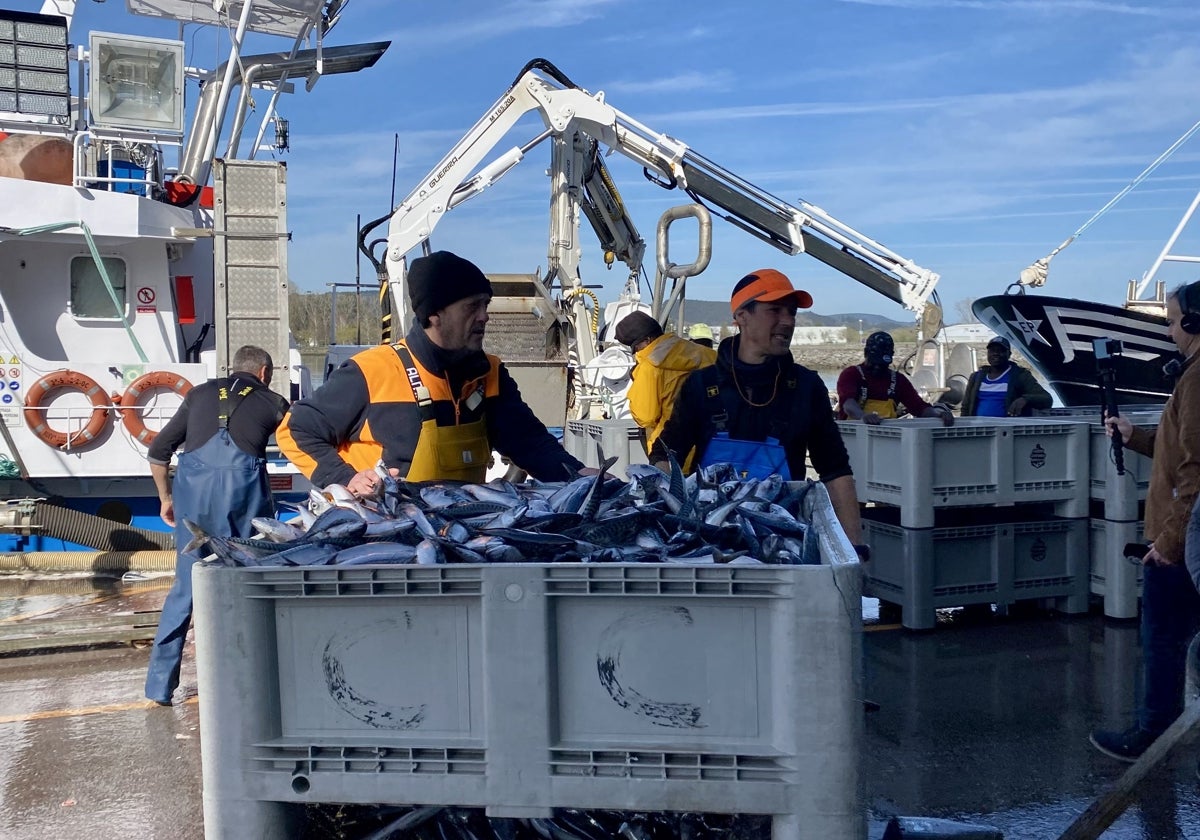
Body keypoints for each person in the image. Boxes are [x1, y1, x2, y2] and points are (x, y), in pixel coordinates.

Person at [277, 250, 587, 494]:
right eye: (473, 307)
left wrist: (584, 477)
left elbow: (530, 443)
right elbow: (295, 430)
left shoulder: (488, 373)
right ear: (434, 314)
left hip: (459, 530)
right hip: (379, 533)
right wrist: (347, 478)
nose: (485, 317)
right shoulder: (373, 371)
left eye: (486, 305)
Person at [650, 268, 864, 546]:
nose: (787, 321)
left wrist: (856, 550)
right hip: (708, 540)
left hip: (783, 541)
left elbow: (836, 471)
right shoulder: (701, 385)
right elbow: (665, 455)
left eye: (792, 312)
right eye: (775, 310)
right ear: (741, 316)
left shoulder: (806, 387)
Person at [1090, 280, 1200, 762]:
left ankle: (1153, 735)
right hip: (1185, 534)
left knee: (1163, 640)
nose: (1170, 329)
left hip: (1183, 539)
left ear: (1194, 321)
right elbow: (1177, 450)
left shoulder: (1198, 380)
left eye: (1173, 320)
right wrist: (1135, 436)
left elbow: (1196, 469)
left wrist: (1170, 541)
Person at [144, 345, 289, 706]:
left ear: (232, 368)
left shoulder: (198, 394)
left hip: (193, 501)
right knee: (247, 584)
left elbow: (158, 452)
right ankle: (244, 679)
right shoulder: (273, 402)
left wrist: (166, 498)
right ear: (264, 373)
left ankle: (159, 688)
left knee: (185, 590)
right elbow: (301, 443)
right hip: (243, 503)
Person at [615, 311, 716, 456]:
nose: (637, 352)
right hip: (711, 447)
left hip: (671, 453)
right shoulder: (707, 354)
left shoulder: (649, 367)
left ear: (647, 340)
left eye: (636, 347)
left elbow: (645, 417)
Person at [837, 331, 953, 426]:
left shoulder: (898, 380)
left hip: (887, 437)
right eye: (875, 363)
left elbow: (919, 407)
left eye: (882, 364)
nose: (878, 367)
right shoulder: (851, 374)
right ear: (866, 353)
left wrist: (939, 414)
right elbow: (848, 404)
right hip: (853, 436)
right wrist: (863, 417)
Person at [960, 336, 1052, 417]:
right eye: (992, 350)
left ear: (1009, 354)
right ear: (987, 354)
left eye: (1001, 351)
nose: (996, 353)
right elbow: (965, 407)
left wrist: (1025, 399)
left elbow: (1046, 399)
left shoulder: (1020, 375)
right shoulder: (976, 377)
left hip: (1008, 432)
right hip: (980, 431)